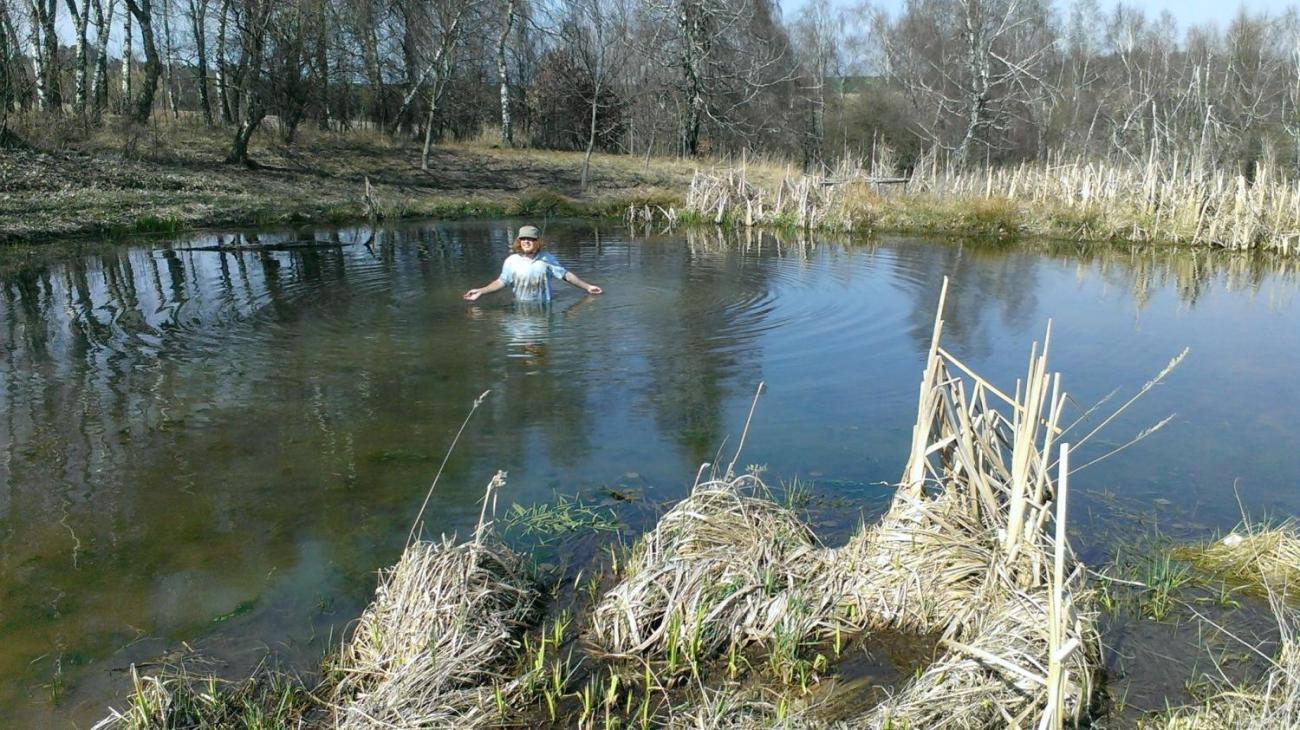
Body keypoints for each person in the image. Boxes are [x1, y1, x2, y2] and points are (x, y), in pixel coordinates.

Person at [463, 225, 603, 302]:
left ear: (538, 242)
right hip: (520, 307)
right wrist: (481, 291)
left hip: (544, 307)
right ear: (519, 241)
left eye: (531, 238)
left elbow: (565, 275)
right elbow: (501, 282)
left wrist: (588, 287)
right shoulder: (511, 261)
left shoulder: (547, 259)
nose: (526, 241)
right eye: (523, 238)